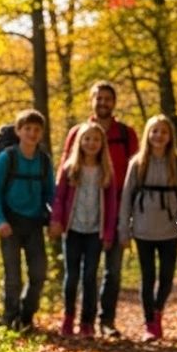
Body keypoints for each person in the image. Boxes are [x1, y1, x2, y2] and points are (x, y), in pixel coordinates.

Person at [61, 81, 138, 337]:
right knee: (83, 273)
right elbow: (65, 173)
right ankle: (83, 320)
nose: (103, 102)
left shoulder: (127, 134)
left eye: (108, 98)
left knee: (112, 270)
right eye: (99, 98)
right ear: (91, 101)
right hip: (82, 216)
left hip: (117, 209)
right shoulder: (77, 132)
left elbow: (136, 173)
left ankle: (106, 321)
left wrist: (132, 215)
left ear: (114, 103)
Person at [119, 115, 177, 341]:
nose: (159, 136)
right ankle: (150, 323)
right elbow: (126, 199)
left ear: (170, 137)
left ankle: (158, 312)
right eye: (154, 131)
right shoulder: (137, 164)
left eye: (163, 132)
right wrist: (124, 230)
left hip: (169, 229)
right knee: (147, 277)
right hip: (142, 229)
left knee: (167, 277)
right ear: (147, 135)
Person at [0, 109, 54, 330]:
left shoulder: (44, 161)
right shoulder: (7, 158)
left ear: (41, 134)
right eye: (27, 129)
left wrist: (56, 218)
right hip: (10, 224)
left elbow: (51, 194)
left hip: (34, 224)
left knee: (38, 274)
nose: (32, 134)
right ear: (18, 131)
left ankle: (26, 316)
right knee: (13, 278)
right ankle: (10, 319)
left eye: (36, 130)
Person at [49, 121, 118, 338]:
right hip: (72, 231)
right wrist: (56, 221)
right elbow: (59, 197)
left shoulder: (106, 172)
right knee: (71, 277)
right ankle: (68, 318)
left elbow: (112, 206)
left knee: (89, 277)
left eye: (96, 139)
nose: (91, 143)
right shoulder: (71, 168)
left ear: (102, 144)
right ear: (80, 142)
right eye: (87, 138)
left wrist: (108, 234)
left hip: (94, 233)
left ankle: (86, 322)